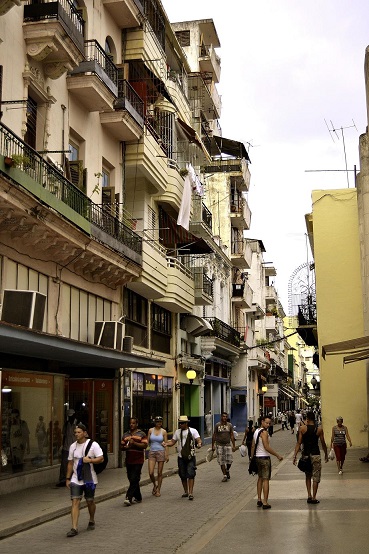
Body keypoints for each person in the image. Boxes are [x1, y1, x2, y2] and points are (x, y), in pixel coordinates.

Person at [65, 423, 103, 537]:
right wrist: (67, 478)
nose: (76, 434)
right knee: (75, 501)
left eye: (79, 432)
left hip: (89, 479)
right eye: (75, 432)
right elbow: (70, 463)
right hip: (76, 478)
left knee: (89, 501)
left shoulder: (93, 445)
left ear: (85, 433)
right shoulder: (73, 446)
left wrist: (90, 461)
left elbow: (101, 458)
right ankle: (74, 528)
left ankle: (91, 519)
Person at [163, 415, 202, 501]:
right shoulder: (177, 432)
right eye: (180, 423)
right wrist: (166, 444)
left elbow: (198, 439)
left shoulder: (193, 431)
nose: (180, 425)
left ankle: (191, 492)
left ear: (186, 423)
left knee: (191, 473)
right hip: (181, 457)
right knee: (182, 474)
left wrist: (199, 444)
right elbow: (172, 442)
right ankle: (186, 491)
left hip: (191, 456)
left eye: (182, 423)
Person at [293, 411, 328, 504]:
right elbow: (323, 443)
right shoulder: (319, 430)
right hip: (316, 454)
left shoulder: (302, 429)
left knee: (308, 475)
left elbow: (299, 443)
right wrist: (326, 454)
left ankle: (309, 495)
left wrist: (295, 455)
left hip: (306, 455)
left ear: (307, 419)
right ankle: (314, 497)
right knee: (316, 477)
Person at [250, 415, 283, 510]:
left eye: (269, 423)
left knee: (260, 478)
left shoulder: (256, 431)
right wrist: (277, 455)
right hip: (264, 458)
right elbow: (266, 447)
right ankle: (265, 502)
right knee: (265, 480)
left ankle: (259, 499)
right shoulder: (264, 433)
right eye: (266, 423)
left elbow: (252, 445)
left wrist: (252, 458)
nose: (268, 425)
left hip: (257, 458)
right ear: (262, 422)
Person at [121, 417, 148, 506]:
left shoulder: (141, 434)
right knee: (132, 478)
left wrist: (134, 443)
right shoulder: (125, 435)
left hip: (138, 460)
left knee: (134, 478)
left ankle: (128, 497)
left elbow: (144, 445)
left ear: (136, 424)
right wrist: (125, 447)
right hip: (129, 460)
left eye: (133, 423)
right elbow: (121, 446)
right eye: (130, 423)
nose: (131, 425)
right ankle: (138, 497)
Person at [147, 416, 169, 497]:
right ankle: (154, 484)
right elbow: (147, 442)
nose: (159, 423)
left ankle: (158, 489)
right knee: (151, 472)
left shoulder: (164, 432)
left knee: (159, 472)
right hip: (152, 452)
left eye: (160, 422)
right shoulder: (150, 430)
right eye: (157, 422)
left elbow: (166, 443)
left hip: (161, 452)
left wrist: (167, 454)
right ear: (155, 422)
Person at [212, 412, 236, 481]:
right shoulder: (217, 425)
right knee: (221, 461)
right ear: (221, 417)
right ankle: (225, 475)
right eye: (223, 416)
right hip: (219, 445)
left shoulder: (229, 425)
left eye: (226, 416)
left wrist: (234, 445)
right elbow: (214, 435)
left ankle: (227, 470)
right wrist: (213, 445)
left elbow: (231, 435)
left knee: (229, 460)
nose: (224, 418)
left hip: (227, 444)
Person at [56, 409, 77, 487]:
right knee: (64, 464)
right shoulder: (66, 424)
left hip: (75, 447)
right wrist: (62, 446)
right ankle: (63, 480)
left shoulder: (78, 424)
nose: (70, 418)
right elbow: (64, 436)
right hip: (67, 447)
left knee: (75, 464)